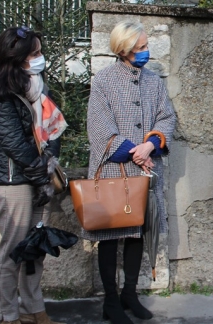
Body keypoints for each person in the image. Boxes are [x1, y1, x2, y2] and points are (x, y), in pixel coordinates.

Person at [84, 21, 176, 324]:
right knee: (111, 236)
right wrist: (133, 152)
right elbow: (99, 128)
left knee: (138, 232)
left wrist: (150, 145)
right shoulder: (104, 81)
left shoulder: (153, 82)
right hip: (114, 169)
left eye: (146, 46)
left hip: (145, 170)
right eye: (141, 48)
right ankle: (110, 301)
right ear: (123, 50)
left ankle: (130, 294)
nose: (146, 52)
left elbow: (167, 117)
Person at [0, 26, 67, 324]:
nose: (41, 58)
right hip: (13, 180)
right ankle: (6, 314)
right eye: (35, 53)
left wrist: (49, 159)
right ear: (16, 57)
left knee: (35, 249)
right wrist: (41, 172)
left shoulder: (41, 86)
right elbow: (14, 142)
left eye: (40, 52)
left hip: (39, 178)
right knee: (13, 250)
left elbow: (53, 127)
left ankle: (34, 310)